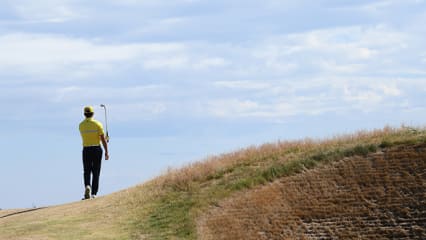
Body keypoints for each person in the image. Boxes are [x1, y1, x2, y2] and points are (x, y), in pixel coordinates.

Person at [79, 106, 109, 200]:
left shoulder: (81, 125)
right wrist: (106, 151)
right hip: (96, 149)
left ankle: (87, 185)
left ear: (84, 114)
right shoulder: (97, 124)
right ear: (93, 114)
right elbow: (103, 139)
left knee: (86, 171)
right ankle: (94, 193)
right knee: (96, 171)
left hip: (86, 149)